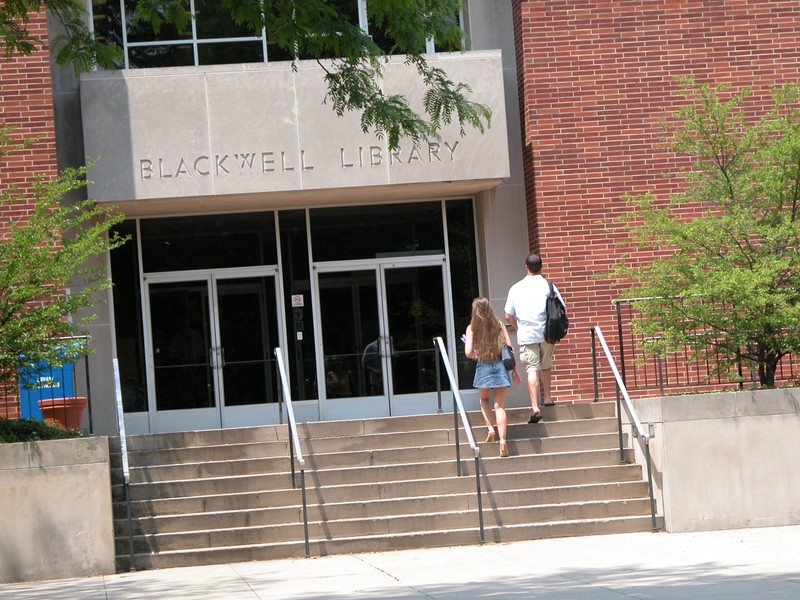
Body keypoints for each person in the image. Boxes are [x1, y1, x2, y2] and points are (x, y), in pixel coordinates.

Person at [504, 253, 566, 424]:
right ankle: (547, 397)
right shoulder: (549, 285)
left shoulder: (516, 288)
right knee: (545, 366)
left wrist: (518, 327)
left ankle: (534, 406)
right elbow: (561, 307)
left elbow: (508, 315)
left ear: (526, 267)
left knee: (532, 369)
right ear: (542, 267)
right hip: (547, 334)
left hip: (527, 334)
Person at [464, 296, 521, 457]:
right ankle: (503, 442)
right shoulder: (498, 324)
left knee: (484, 400)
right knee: (500, 406)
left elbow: (468, 352)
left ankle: (491, 429)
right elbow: (510, 349)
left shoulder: (472, 328)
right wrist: (515, 369)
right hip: (500, 366)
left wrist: (478, 353)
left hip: (483, 365)